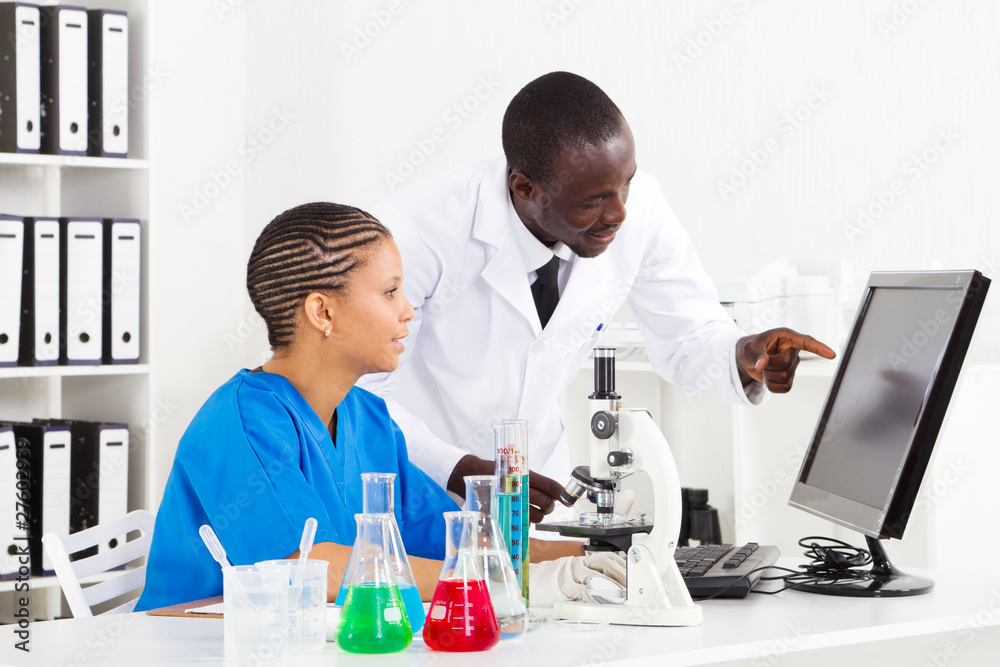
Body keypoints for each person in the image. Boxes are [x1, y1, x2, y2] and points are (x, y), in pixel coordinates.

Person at [359, 72, 836, 526]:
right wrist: (460, 469)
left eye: (627, 183)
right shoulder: (416, 231)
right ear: (524, 187)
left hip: (541, 496)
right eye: (593, 201)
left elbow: (689, 337)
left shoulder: (637, 208)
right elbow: (362, 390)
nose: (619, 213)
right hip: (424, 493)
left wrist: (743, 355)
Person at [135, 203, 461, 611]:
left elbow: (455, 539)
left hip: (312, 637)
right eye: (390, 292)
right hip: (196, 639)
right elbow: (310, 569)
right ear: (323, 312)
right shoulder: (241, 421)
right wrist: (476, 576)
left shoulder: (370, 418)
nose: (408, 310)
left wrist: (536, 559)